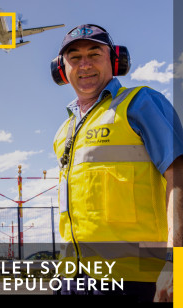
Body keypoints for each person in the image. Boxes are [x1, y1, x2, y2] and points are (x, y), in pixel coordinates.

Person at [52, 24, 183, 301]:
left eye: (95, 54)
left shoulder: (140, 104)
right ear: (62, 69)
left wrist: (176, 262)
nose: (84, 64)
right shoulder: (64, 131)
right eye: (74, 57)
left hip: (137, 279)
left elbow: (179, 174)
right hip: (73, 278)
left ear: (115, 61)